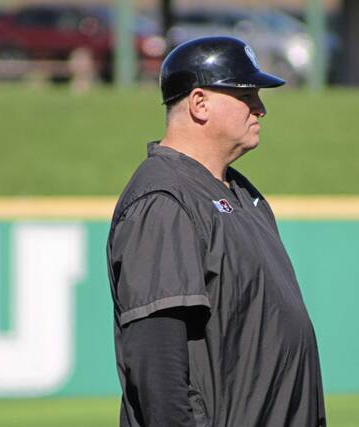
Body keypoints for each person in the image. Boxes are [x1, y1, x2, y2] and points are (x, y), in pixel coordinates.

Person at [106, 36, 326, 427]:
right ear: (199, 103)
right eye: (247, 94)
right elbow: (156, 363)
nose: (260, 108)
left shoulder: (241, 194)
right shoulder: (163, 200)